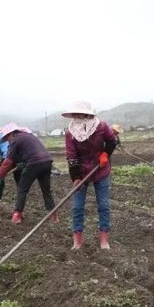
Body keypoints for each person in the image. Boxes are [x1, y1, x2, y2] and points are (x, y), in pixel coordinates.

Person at [63, 101, 117, 250]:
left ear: (87, 114)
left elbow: (112, 141)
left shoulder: (101, 126)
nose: (78, 116)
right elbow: (71, 156)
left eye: (81, 113)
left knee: (103, 205)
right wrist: (76, 178)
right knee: (77, 207)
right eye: (75, 113)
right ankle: (77, 242)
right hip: (81, 171)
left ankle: (104, 241)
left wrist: (105, 154)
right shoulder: (70, 133)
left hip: (100, 169)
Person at [0, 123, 57, 224]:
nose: (7, 141)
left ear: (11, 134)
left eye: (7, 138)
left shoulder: (15, 140)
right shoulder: (29, 136)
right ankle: (53, 216)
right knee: (46, 190)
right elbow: (30, 151)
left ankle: (17, 216)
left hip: (34, 163)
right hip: (47, 162)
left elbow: (8, 162)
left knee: (22, 189)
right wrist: (22, 162)